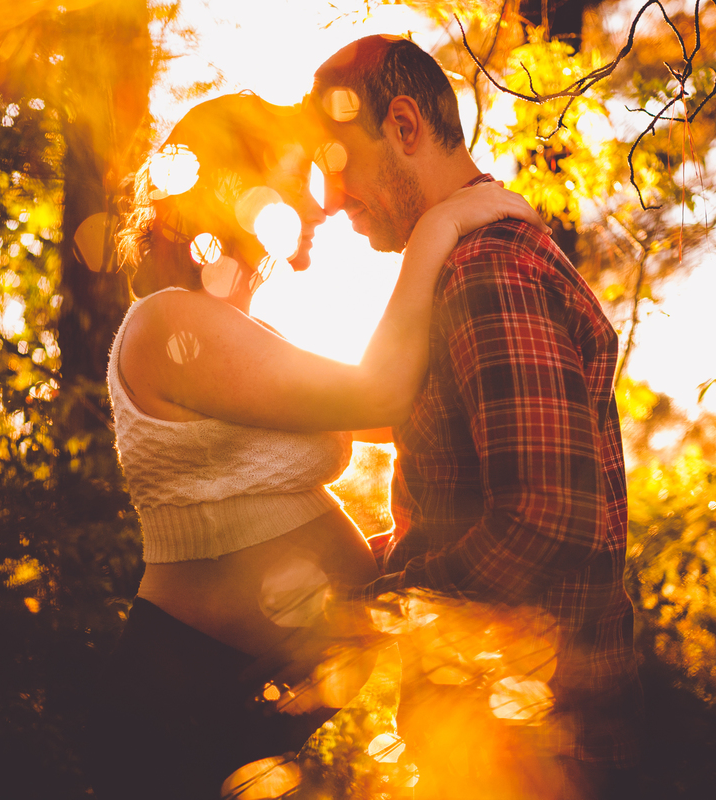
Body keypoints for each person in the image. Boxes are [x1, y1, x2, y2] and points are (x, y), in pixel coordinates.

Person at [83, 93, 544, 800]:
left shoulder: (235, 330)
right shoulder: (170, 325)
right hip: (181, 701)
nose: (324, 203)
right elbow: (380, 395)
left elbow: (400, 417)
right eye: (300, 181)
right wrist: (439, 225)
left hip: (247, 706)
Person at [309, 36, 643, 799]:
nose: (331, 199)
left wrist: (381, 608)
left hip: (529, 745)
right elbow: (459, 489)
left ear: (402, 126)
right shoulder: (461, 262)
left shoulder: (486, 270)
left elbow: (547, 514)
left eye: (337, 163)